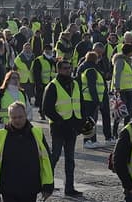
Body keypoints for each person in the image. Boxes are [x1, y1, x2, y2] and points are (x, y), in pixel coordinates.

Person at [0, 101, 54, 202]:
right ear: (9, 118)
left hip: (30, 189)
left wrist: (48, 186)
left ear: (26, 115)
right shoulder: (2, 136)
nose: (17, 120)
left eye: (20, 117)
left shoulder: (37, 134)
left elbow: (47, 162)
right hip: (8, 189)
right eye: (14, 118)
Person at [42, 59, 83, 197]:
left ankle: (69, 188)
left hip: (72, 127)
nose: (68, 70)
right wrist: (60, 121)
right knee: (55, 156)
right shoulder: (52, 86)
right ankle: (47, 184)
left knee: (70, 160)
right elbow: (46, 109)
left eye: (69, 68)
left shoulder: (75, 84)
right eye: (65, 68)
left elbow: (79, 104)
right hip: (59, 127)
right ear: (59, 70)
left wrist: (80, 123)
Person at [78, 51, 107, 148]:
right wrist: (97, 100)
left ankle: (92, 140)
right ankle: (87, 141)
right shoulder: (91, 70)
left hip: (87, 98)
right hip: (90, 99)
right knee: (90, 120)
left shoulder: (85, 68)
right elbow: (92, 87)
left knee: (91, 120)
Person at [113, 43, 132, 133]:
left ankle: (125, 131)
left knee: (128, 113)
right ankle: (115, 132)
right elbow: (117, 74)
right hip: (123, 91)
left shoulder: (128, 61)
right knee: (120, 113)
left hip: (130, 90)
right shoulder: (120, 61)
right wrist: (117, 88)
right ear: (129, 52)